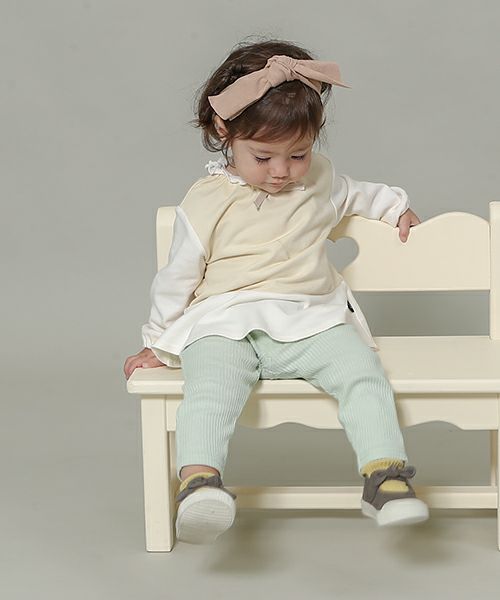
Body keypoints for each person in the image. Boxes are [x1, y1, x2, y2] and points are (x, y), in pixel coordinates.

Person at [123, 38, 429, 545]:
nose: (282, 171)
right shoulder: (208, 200)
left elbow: (360, 194)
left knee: (361, 372)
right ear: (225, 132)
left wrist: (396, 207)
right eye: (262, 156)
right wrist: (157, 341)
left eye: (298, 154)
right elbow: (177, 277)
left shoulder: (320, 180)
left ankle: (385, 475)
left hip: (310, 318)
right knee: (210, 387)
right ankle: (199, 482)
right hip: (225, 320)